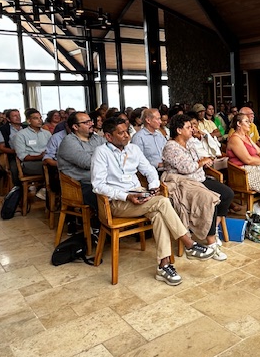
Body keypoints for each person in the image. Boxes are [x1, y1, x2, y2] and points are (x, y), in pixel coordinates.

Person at [91, 117, 214, 287]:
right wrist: (126, 196)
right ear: (108, 137)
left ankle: (164, 266)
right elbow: (98, 186)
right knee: (162, 203)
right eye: (121, 133)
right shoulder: (101, 153)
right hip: (117, 201)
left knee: (158, 214)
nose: (126, 135)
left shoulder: (133, 149)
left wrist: (154, 186)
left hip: (139, 195)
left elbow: (149, 170)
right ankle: (189, 243)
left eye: (127, 131)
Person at [162, 114, 234, 260]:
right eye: (188, 127)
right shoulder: (170, 147)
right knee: (209, 199)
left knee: (227, 194)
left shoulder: (190, 143)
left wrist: (204, 161)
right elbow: (187, 168)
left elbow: (198, 160)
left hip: (199, 179)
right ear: (179, 130)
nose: (192, 129)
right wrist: (202, 162)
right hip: (185, 184)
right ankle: (211, 243)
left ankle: (211, 227)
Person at [57, 111, 106, 227]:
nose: (91, 124)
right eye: (86, 122)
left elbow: (113, 154)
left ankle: (127, 223)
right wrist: (107, 160)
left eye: (91, 121)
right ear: (75, 127)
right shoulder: (69, 142)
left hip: (99, 180)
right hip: (78, 186)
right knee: (104, 197)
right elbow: (87, 163)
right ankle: (100, 229)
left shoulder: (96, 138)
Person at [11, 109, 51, 177]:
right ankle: (46, 186)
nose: (40, 120)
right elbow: (22, 156)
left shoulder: (47, 133)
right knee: (52, 168)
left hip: (47, 160)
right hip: (30, 163)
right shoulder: (21, 135)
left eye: (40, 118)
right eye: (36, 118)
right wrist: (39, 156)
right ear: (29, 121)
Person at [0, 109, 24, 184]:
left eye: (19, 115)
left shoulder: (26, 127)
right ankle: (18, 189)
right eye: (15, 116)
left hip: (30, 154)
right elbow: (1, 148)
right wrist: (16, 151)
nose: (18, 118)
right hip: (13, 155)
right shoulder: (2, 130)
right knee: (15, 168)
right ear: (8, 119)